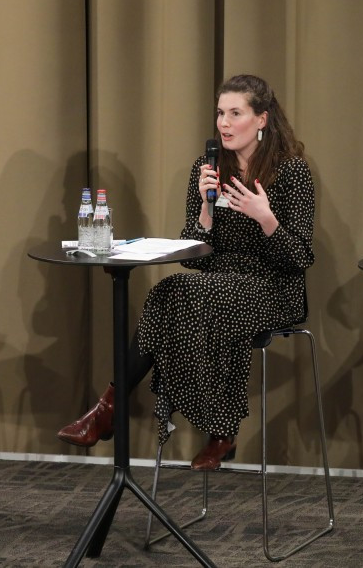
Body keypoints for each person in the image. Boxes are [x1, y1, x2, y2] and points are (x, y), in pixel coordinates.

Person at [58, 74, 315, 470]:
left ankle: (115, 408)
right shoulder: (208, 168)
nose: (224, 123)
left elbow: (299, 257)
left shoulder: (291, 172)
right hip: (217, 281)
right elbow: (192, 256)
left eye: (235, 113)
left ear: (261, 119)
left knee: (189, 295)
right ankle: (197, 425)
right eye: (219, 113)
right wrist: (205, 209)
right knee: (170, 290)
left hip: (273, 287)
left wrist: (266, 219)